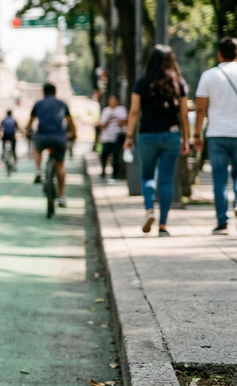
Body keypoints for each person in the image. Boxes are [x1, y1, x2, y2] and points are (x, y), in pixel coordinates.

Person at [125, 45, 190, 237]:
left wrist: (129, 136)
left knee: (147, 176)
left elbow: (134, 111)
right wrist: (186, 139)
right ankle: (163, 225)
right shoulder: (179, 82)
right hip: (171, 135)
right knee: (167, 181)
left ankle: (149, 210)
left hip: (147, 135)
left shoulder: (142, 82)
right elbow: (184, 114)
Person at [193, 36, 237, 236]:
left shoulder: (209, 76)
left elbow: (200, 109)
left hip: (217, 134)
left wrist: (197, 134)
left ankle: (222, 222)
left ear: (219, 54)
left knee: (219, 179)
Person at [26, 83, 77, 207]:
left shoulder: (38, 104)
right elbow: (70, 121)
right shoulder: (62, 104)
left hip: (42, 136)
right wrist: (74, 134)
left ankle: (38, 171)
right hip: (59, 137)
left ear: (43, 92)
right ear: (55, 92)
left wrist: (28, 133)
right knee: (60, 166)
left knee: (37, 149)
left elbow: (31, 121)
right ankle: (61, 197)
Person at [98, 95, 128, 184]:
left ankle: (115, 175)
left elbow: (124, 122)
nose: (112, 102)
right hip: (106, 137)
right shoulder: (106, 110)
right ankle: (103, 173)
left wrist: (117, 119)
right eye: (110, 100)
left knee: (116, 156)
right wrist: (110, 117)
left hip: (117, 137)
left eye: (114, 100)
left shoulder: (121, 110)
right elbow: (102, 125)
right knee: (104, 155)